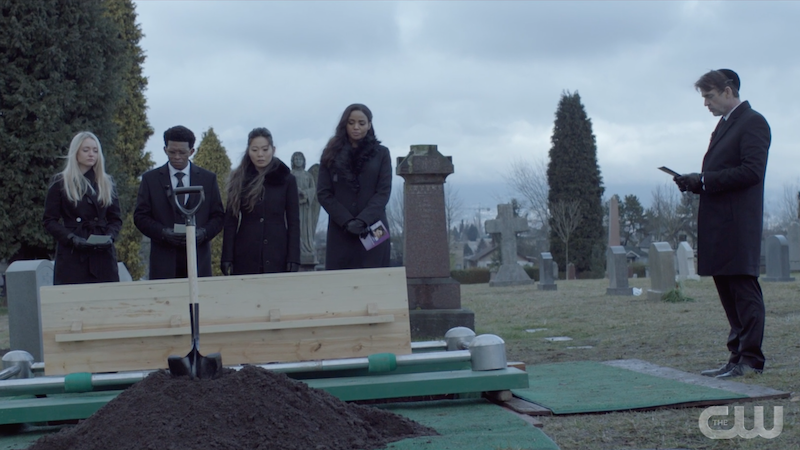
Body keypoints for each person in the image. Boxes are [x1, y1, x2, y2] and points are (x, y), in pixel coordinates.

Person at [674, 69, 770, 379]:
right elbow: (721, 172)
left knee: (744, 292)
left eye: (709, 96)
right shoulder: (725, 126)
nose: (706, 104)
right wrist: (695, 183)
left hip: (738, 224)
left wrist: (704, 179)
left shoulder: (753, 122)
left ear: (728, 91)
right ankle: (735, 358)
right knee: (729, 295)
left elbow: (751, 172)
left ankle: (751, 360)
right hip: (719, 224)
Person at [134, 125, 225, 280]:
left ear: (191, 151)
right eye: (172, 152)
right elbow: (140, 217)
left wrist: (203, 233)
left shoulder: (208, 179)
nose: (177, 157)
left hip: (198, 261)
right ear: (165, 150)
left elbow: (218, 216)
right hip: (164, 262)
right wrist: (163, 233)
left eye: (182, 152)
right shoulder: (151, 179)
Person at [317, 103, 391, 270]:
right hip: (340, 229)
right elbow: (324, 193)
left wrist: (362, 220)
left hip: (374, 228)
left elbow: (383, 192)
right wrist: (347, 221)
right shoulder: (330, 154)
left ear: (369, 125)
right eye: (351, 123)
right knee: (341, 285)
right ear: (344, 124)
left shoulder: (382, 153)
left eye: (361, 123)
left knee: (375, 282)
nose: (356, 127)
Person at [43, 131, 121, 285]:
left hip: (102, 252)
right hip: (72, 252)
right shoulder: (60, 182)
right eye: (86, 150)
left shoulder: (106, 182)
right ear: (75, 152)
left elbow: (115, 218)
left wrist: (109, 237)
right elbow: (49, 220)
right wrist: (70, 238)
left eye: (95, 150)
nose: (91, 154)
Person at [220, 128, 300, 275]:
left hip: (278, 251)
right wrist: (227, 256)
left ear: (273, 149)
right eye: (255, 150)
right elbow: (231, 220)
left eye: (265, 149)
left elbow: (293, 221)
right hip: (246, 251)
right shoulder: (239, 179)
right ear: (248, 150)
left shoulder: (287, 179)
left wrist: (294, 257)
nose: (260, 155)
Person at [290, 152, 319, 265]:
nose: (298, 161)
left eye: (300, 159)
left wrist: (305, 193)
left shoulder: (308, 176)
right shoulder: (290, 175)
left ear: (303, 161)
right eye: (296, 159)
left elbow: (313, 190)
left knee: (305, 229)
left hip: (305, 208)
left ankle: (307, 248)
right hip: (294, 207)